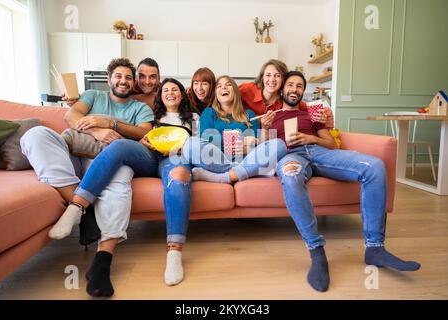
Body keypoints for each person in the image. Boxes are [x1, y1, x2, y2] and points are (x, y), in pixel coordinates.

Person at [263, 71, 420, 292]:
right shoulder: (272, 116)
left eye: (299, 86)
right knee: (290, 177)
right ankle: (317, 252)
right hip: (291, 156)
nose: (294, 89)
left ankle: (375, 248)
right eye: (290, 85)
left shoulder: (312, 115)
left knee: (375, 166)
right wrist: (263, 129)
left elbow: (331, 144)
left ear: (302, 92)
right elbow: (265, 152)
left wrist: (312, 137)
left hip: (319, 152)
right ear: (282, 90)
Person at [20, 58, 155, 297]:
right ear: (109, 79)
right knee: (35, 135)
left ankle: (103, 261)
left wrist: (111, 123)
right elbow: (71, 117)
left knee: (121, 178)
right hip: (73, 155)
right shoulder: (93, 95)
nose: (123, 81)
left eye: (128, 78)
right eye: (118, 76)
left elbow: (143, 132)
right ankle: (85, 211)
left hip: (108, 160)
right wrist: (97, 130)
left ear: (133, 83)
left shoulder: (140, 108)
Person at [57, 78, 199, 296]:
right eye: (166, 90)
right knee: (121, 145)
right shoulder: (151, 116)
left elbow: (199, 145)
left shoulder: (195, 119)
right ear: (160, 96)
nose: (171, 93)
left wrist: (183, 150)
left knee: (179, 175)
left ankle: (174, 253)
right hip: (150, 156)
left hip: (175, 158)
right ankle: (76, 207)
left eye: (175, 90)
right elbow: (140, 134)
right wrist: (143, 140)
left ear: (182, 94)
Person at [182, 75, 287, 184]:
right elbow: (206, 141)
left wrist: (260, 134)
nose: (224, 88)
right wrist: (239, 141)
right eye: (219, 86)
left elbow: (260, 146)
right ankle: (243, 171)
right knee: (190, 144)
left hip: (246, 159)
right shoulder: (209, 113)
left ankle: (225, 177)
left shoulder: (249, 115)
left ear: (235, 91)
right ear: (216, 95)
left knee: (279, 145)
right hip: (218, 159)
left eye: (228, 84)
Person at [239, 59, 334, 127]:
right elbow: (226, 97)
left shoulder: (286, 101)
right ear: (262, 78)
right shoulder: (247, 89)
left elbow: (312, 109)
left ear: (283, 80)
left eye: (277, 76)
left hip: (267, 138)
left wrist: (324, 114)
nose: (272, 80)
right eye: (268, 75)